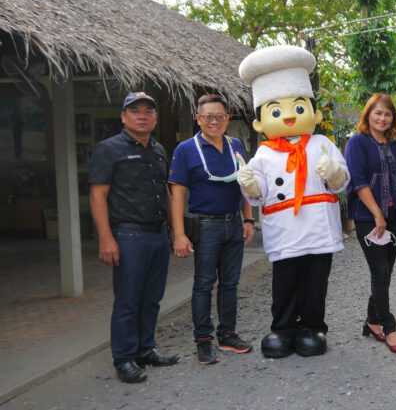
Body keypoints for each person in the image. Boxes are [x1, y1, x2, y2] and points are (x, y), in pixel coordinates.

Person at [236, 45, 350, 358]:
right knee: (284, 281)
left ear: (314, 113)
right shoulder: (263, 153)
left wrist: (334, 173)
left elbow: (342, 181)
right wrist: (250, 184)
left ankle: (313, 327)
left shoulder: (322, 143)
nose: (288, 116)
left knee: (315, 281)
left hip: (317, 229)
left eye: (298, 108)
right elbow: (258, 192)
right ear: (260, 122)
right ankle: (282, 328)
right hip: (285, 229)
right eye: (276, 111)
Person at [89, 92, 179, 384]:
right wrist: (106, 238)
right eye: (135, 110)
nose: (142, 115)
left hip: (157, 236)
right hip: (128, 235)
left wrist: (177, 232)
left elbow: (165, 192)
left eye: (148, 111)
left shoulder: (158, 150)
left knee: (152, 298)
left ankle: (145, 349)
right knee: (128, 300)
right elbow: (98, 195)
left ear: (155, 117)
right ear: (123, 117)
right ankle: (124, 359)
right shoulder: (109, 149)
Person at [169, 94, 255, 365]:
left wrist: (249, 219)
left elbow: (245, 183)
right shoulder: (186, 149)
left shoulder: (236, 145)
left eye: (219, 117)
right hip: (205, 226)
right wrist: (179, 233)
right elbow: (178, 194)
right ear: (198, 119)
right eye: (208, 117)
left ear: (227, 119)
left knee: (230, 283)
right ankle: (203, 340)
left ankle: (227, 333)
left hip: (233, 224)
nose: (214, 122)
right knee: (204, 284)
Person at [344, 93, 396, 355]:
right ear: (368, 115)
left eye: (388, 114)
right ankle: (388, 325)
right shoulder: (357, 143)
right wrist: (376, 213)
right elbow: (359, 181)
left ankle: (372, 321)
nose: (383, 118)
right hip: (369, 219)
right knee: (380, 271)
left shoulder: (394, 145)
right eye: (378, 113)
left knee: (386, 273)